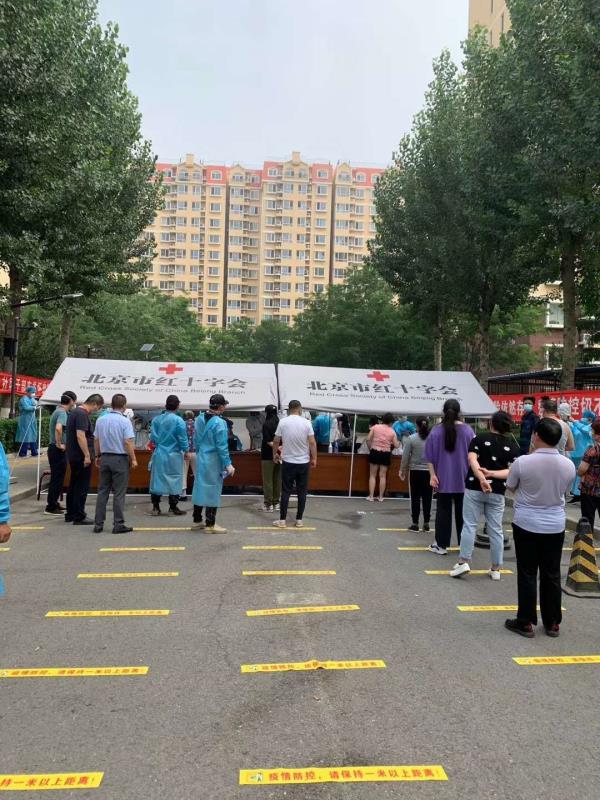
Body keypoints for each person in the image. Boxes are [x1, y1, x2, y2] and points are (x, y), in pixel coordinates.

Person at [505, 418, 575, 638]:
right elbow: (565, 490)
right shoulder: (568, 464)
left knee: (527, 572)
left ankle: (525, 621)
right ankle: (552, 622)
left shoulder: (523, 462)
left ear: (536, 436)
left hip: (526, 522)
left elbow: (511, 486)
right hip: (555, 524)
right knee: (551, 573)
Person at [449, 411, 520, 580]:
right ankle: (496, 568)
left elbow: (472, 460)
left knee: (469, 525)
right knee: (496, 529)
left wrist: (482, 478)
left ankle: (464, 561)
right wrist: (492, 475)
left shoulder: (478, 439)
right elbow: (511, 471)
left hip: (474, 487)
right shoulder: (513, 446)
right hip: (498, 491)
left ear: (491, 424)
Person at [425, 399, 475, 555]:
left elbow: (429, 456)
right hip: (464, 479)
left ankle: (441, 545)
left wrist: (432, 475)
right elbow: (474, 456)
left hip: (443, 478)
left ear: (444, 411)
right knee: (464, 514)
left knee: (443, 512)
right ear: (459, 412)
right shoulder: (468, 431)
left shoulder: (436, 431)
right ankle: (464, 545)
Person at [93, 393, 137, 534]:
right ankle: (118, 524)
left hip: (105, 457)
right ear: (124, 406)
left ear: (111, 405)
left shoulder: (101, 420)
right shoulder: (125, 421)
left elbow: (96, 439)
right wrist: (133, 458)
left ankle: (98, 524)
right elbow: (128, 442)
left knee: (102, 491)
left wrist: (97, 455)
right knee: (119, 493)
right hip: (120, 459)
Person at [192, 394, 235, 533]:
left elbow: (196, 439)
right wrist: (228, 464)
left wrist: (200, 452)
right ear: (221, 406)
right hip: (213, 461)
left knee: (199, 487)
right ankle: (210, 525)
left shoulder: (199, 419)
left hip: (201, 457)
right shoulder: (220, 423)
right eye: (224, 405)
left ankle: (197, 520)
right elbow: (222, 446)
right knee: (212, 490)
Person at [272, 399, 317, 528]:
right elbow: (312, 442)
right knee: (302, 491)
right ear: (299, 408)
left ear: (289, 409)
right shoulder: (307, 422)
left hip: (288, 461)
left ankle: (282, 520)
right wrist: (314, 458)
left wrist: (275, 454)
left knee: (286, 491)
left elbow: (276, 440)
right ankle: (299, 520)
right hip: (303, 462)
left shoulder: (283, 422)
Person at [65, 393, 104, 525]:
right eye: (98, 408)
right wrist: (87, 455)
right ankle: (79, 515)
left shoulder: (74, 412)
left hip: (74, 455)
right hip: (81, 456)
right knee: (81, 486)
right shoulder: (82, 414)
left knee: (74, 485)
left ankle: (71, 513)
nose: (97, 410)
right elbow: (80, 436)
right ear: (94, 404)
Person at [149, 395, 189, 516]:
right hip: (174, 454)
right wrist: (186, 451)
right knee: (175, 479)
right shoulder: (179, 421)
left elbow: (153, 437)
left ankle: (156, 507)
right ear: (177, 405)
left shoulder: (156, 420)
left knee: (157, 479)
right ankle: (173, 507)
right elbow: (182, 438)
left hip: (160, 453)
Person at [45, 391, 77, 516]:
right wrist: (59, 444)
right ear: (71, 401)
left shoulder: (58, 411)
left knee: (58, 477)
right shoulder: (62, 413)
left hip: (54, 450)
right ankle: (51, 506)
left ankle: (54, 502)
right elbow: (59, 428)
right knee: (57, 478)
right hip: (57, 449)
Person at [400, 417, 432, 532]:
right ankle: (427, 522)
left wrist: (402, 469)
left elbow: (405, 456)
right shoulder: (432, 438)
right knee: (428, 497)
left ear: (416, 425)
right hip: (429, 471)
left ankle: (415, 523)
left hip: (415, 470)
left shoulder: (411, 438)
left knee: (415, 497)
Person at [366, 413, 400, 502]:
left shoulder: (375, 427)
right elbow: (396, 445)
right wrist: (399, 442)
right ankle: (381, 497)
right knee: (382, 476)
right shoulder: (392, 431)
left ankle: (371, 496)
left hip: (374, 451)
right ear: (391, 422)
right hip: (386, 453)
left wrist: (370, 448)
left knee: (372, 475)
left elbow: (368, 439)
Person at [566, 408, 595, 502]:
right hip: (574, 453)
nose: (583, 418)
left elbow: (584, 429)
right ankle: (575, 493)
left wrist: (574, 421)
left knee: (581, 474)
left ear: (590, 419)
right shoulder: (577, 424)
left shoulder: (590, 427)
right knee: (575, 474)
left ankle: (579, 494)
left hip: (584, 453)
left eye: (586, 417)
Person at [577, 419, 600, 533]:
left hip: (590, 490)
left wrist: (579, 472)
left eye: (593, 431)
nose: (591, 433)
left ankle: (586, 541)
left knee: (587, 519)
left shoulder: (592, 451)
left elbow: (581, 470)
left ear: (598, 435)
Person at [261, 404, 281, 512]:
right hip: (280, 455)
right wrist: (279, 450)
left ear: (266, 413)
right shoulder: (280, 423)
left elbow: (268, 441)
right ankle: (276, 503)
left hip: (267, 455)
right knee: (277, 479)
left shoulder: (266, 424)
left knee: (268, 480)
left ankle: (268, 504)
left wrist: (275, 448)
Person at [16, 386, 39, 457]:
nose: (33, 393)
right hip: (25, 420)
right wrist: (34, 407)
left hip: (32, 419)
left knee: (33, 435)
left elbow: (36, 404)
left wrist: (37, 405)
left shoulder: (32, 398)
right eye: (32, 392)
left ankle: (34, 452)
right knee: (25, 435)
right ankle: (23, 453)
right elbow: (26, 407)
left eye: (34, 392)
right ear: (28, 392)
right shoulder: (23, 399)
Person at [180, 410, 197, 501]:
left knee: (183, 473)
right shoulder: (198, 425)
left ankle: (183, 494)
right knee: (197, 473)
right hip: (196, 452)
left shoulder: (182, 424)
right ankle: (198, 493)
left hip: (184, 452)